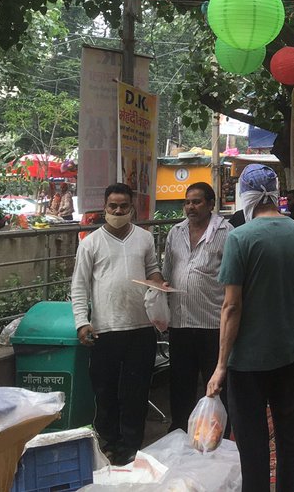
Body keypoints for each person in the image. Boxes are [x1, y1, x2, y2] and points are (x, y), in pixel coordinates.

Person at [207, 171, 294, 492]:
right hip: (292, 355)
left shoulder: (240, 238)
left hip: (248, 362)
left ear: (246, 196)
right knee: (288, 440)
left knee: (252, 447)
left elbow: (231, 307)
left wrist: (221, 365)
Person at [70, 183, 166, 465]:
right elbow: (79, 287)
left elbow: (152, 269)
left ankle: (131, 446)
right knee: (106, 391)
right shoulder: (90, 243)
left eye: (123, 206)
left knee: (136, 392)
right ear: (104, 207)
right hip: (105, 329)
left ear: (132, 208)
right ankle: (109, 443)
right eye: (113, 206)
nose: (118, 211)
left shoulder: (145, 239)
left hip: (141, 328)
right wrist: (81, 323)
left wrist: (159, 281)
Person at [162, 181, 230, 433]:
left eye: (197, 201)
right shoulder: (175, 232)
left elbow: (233, 280)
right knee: (180, 385)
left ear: (211, 204)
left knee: (217, 387)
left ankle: (218, 437)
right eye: (187, 202)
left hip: (213, 324)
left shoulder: (227, 232)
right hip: (180, 323)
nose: (190, 207)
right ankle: (180, 434)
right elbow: (168, 271)